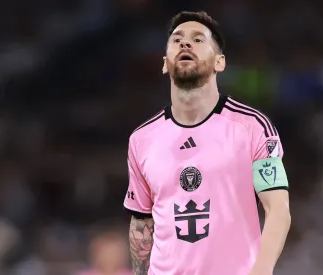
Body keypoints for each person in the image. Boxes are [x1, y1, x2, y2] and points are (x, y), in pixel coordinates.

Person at [123, 11, 291, 275]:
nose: (185, 44)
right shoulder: (142, 140)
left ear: (220, 62)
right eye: (176, 40)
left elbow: (278, 209)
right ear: (165, 63)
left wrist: (262, 270)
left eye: (198, 40)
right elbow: (142, 221)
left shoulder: (252, 127)